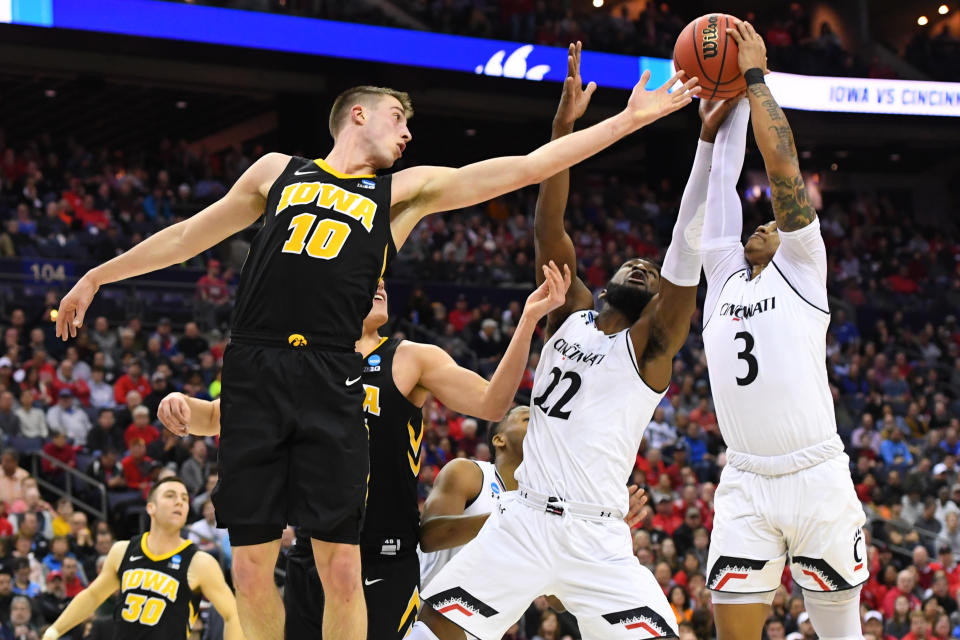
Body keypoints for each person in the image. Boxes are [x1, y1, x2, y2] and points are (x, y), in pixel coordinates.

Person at [56, 51, 699, 640]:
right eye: (399, 118)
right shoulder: (276, 172)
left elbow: (523, 169)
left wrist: (626, 120)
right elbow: (188, 234)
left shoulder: (399, 196)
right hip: (253, 360)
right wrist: (98, 275)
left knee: (340, 567)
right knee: (251, 572)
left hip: (333, 369)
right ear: (357, 114)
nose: (408, 133)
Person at [411, 43, 706, 640]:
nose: (641, 268)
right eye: (632, 263)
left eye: (650, 274)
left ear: (652, 309)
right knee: (434, 627)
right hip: (524, 519)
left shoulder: (646, 351)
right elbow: (550, 224)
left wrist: (709, 148)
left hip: (598, 531)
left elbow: (682, 267)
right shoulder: (567, 312)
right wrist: (563, 126)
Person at [158, 265, 570, 639]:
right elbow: (217, 416)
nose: (379, 283)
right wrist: (179, 404)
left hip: (384, 554)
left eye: (382, 279)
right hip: (316, 548)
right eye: (366, 276)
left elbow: (493, 404)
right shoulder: (303, 362)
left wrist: (528, 320)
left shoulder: (410, 358)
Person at [699, 22, 868, 640]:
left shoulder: (802, 265)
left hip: (816, 476)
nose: (764, 223)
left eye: (774, 220)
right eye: (759, 220)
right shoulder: (721, 280)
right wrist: (725, 119)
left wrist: (755, 80)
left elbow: (783, 164)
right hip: (744, 479)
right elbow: (720, 189)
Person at [41, 476, 245, 640]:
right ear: (151, 508)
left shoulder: (200, 562)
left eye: (184, 498)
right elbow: (93, 595)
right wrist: (55, 631)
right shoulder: (122, 551)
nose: (179, 502)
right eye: (170, 496)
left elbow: (232, 615)